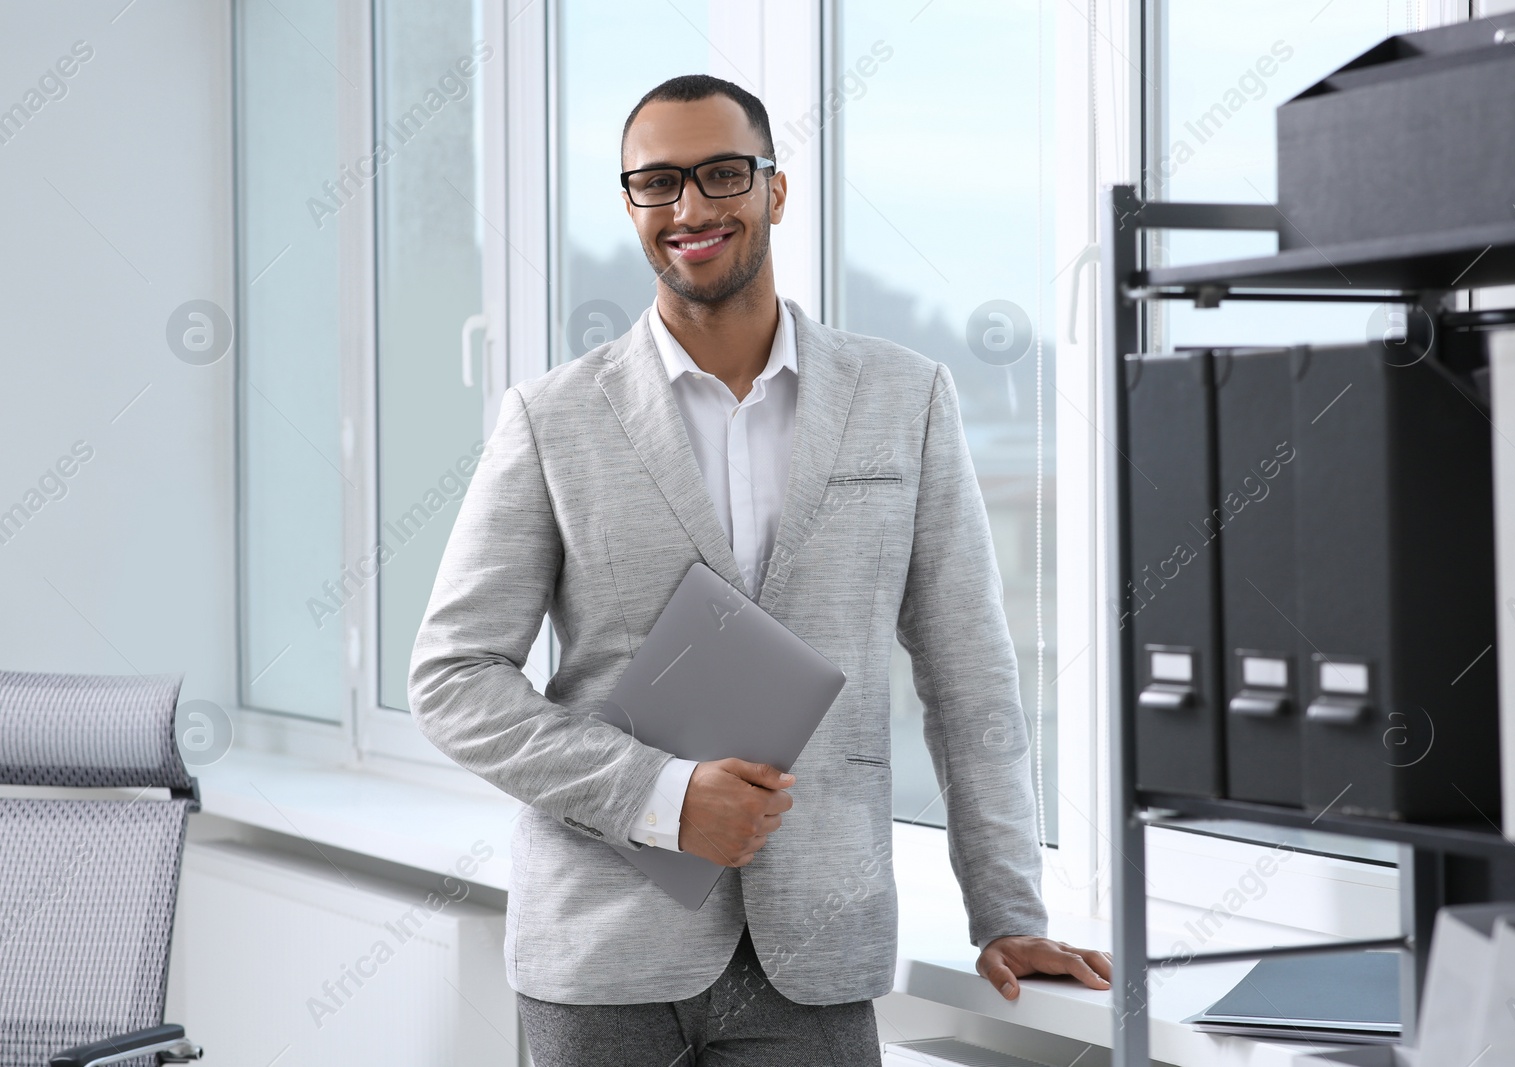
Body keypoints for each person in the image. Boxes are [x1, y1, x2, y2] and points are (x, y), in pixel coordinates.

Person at [408, 73, 1112, 1066]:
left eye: (722, 175)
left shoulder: (903, 398)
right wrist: (658, 792)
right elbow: (452, 678)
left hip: (816, 950)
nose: (691, 208)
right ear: (630, 204)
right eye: (658, 183)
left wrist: (1005, 905)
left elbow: (969, 675)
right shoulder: (551, 416)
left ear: (775, 190)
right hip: (601, 953)